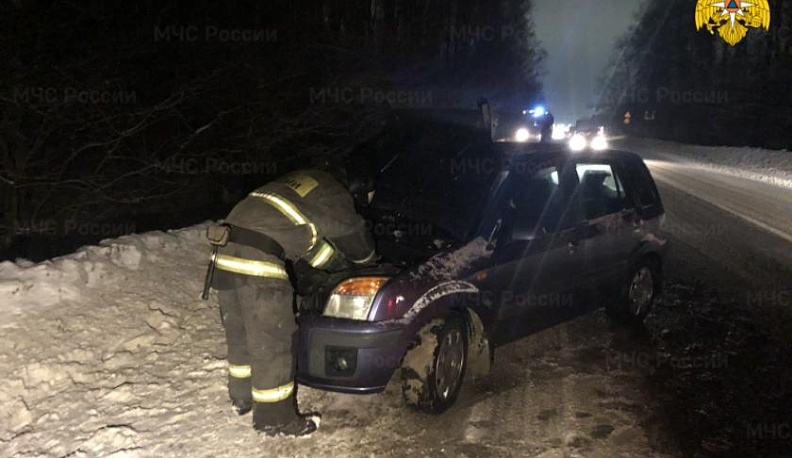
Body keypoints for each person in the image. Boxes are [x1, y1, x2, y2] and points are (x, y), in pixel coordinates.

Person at [201, 169, 376, 436]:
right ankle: (275, 419)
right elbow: (354, 237)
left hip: (224, 251)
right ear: (355, 190)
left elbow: (309, 245)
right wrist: (367, 264)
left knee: (242, 334)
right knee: (274, 340)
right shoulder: (334, 193)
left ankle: (242, 398)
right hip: (257, 258)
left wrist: (335, 268)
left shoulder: (304, 186)